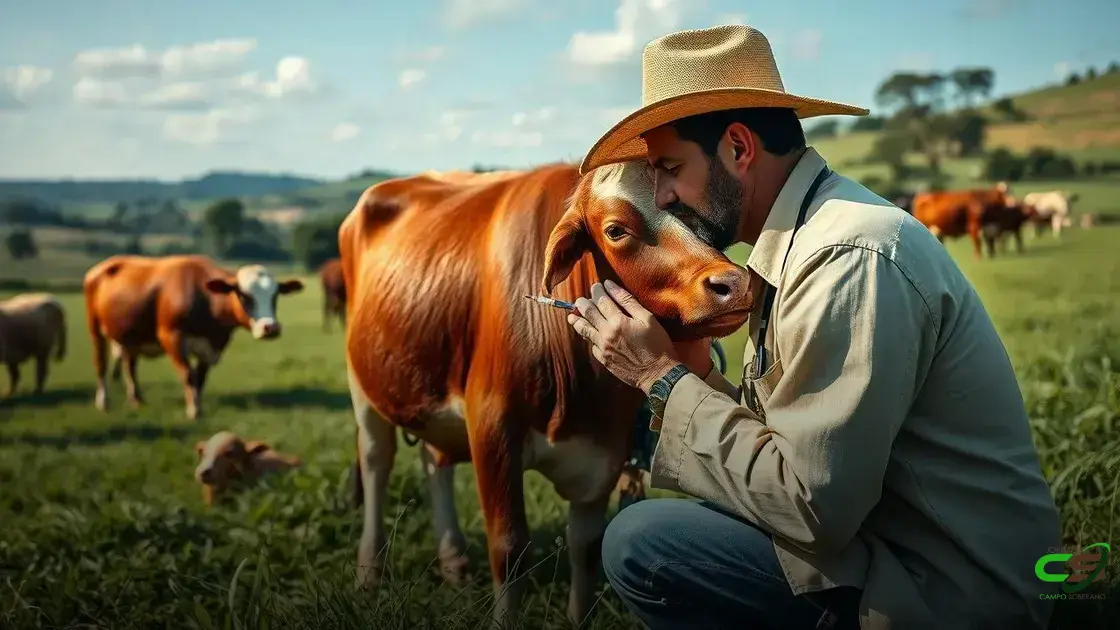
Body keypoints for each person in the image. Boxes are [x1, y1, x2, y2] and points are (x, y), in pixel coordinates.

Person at [564, 24, 1062, 630]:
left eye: (670, 168)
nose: (663, 197)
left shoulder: (845, 257)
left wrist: (660, 377)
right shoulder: (804, 240)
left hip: (954, 591)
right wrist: (695, 372)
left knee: (641, 541)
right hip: (900, 547)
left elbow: (812, 507)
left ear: (739, 149)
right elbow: (788, 445)